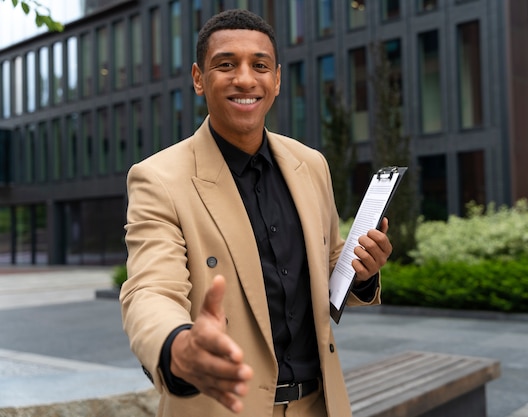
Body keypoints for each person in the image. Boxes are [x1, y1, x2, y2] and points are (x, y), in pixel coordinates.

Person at [120, 8, 392, 417]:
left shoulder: (310, 164)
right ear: (198, 78)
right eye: (225, 64)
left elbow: (331, 259)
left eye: (259, 66)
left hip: (320, 404)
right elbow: (151, 289)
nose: (245, 79)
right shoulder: (158, 178)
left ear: (277, 79)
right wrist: (177, 344)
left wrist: (363, 273)